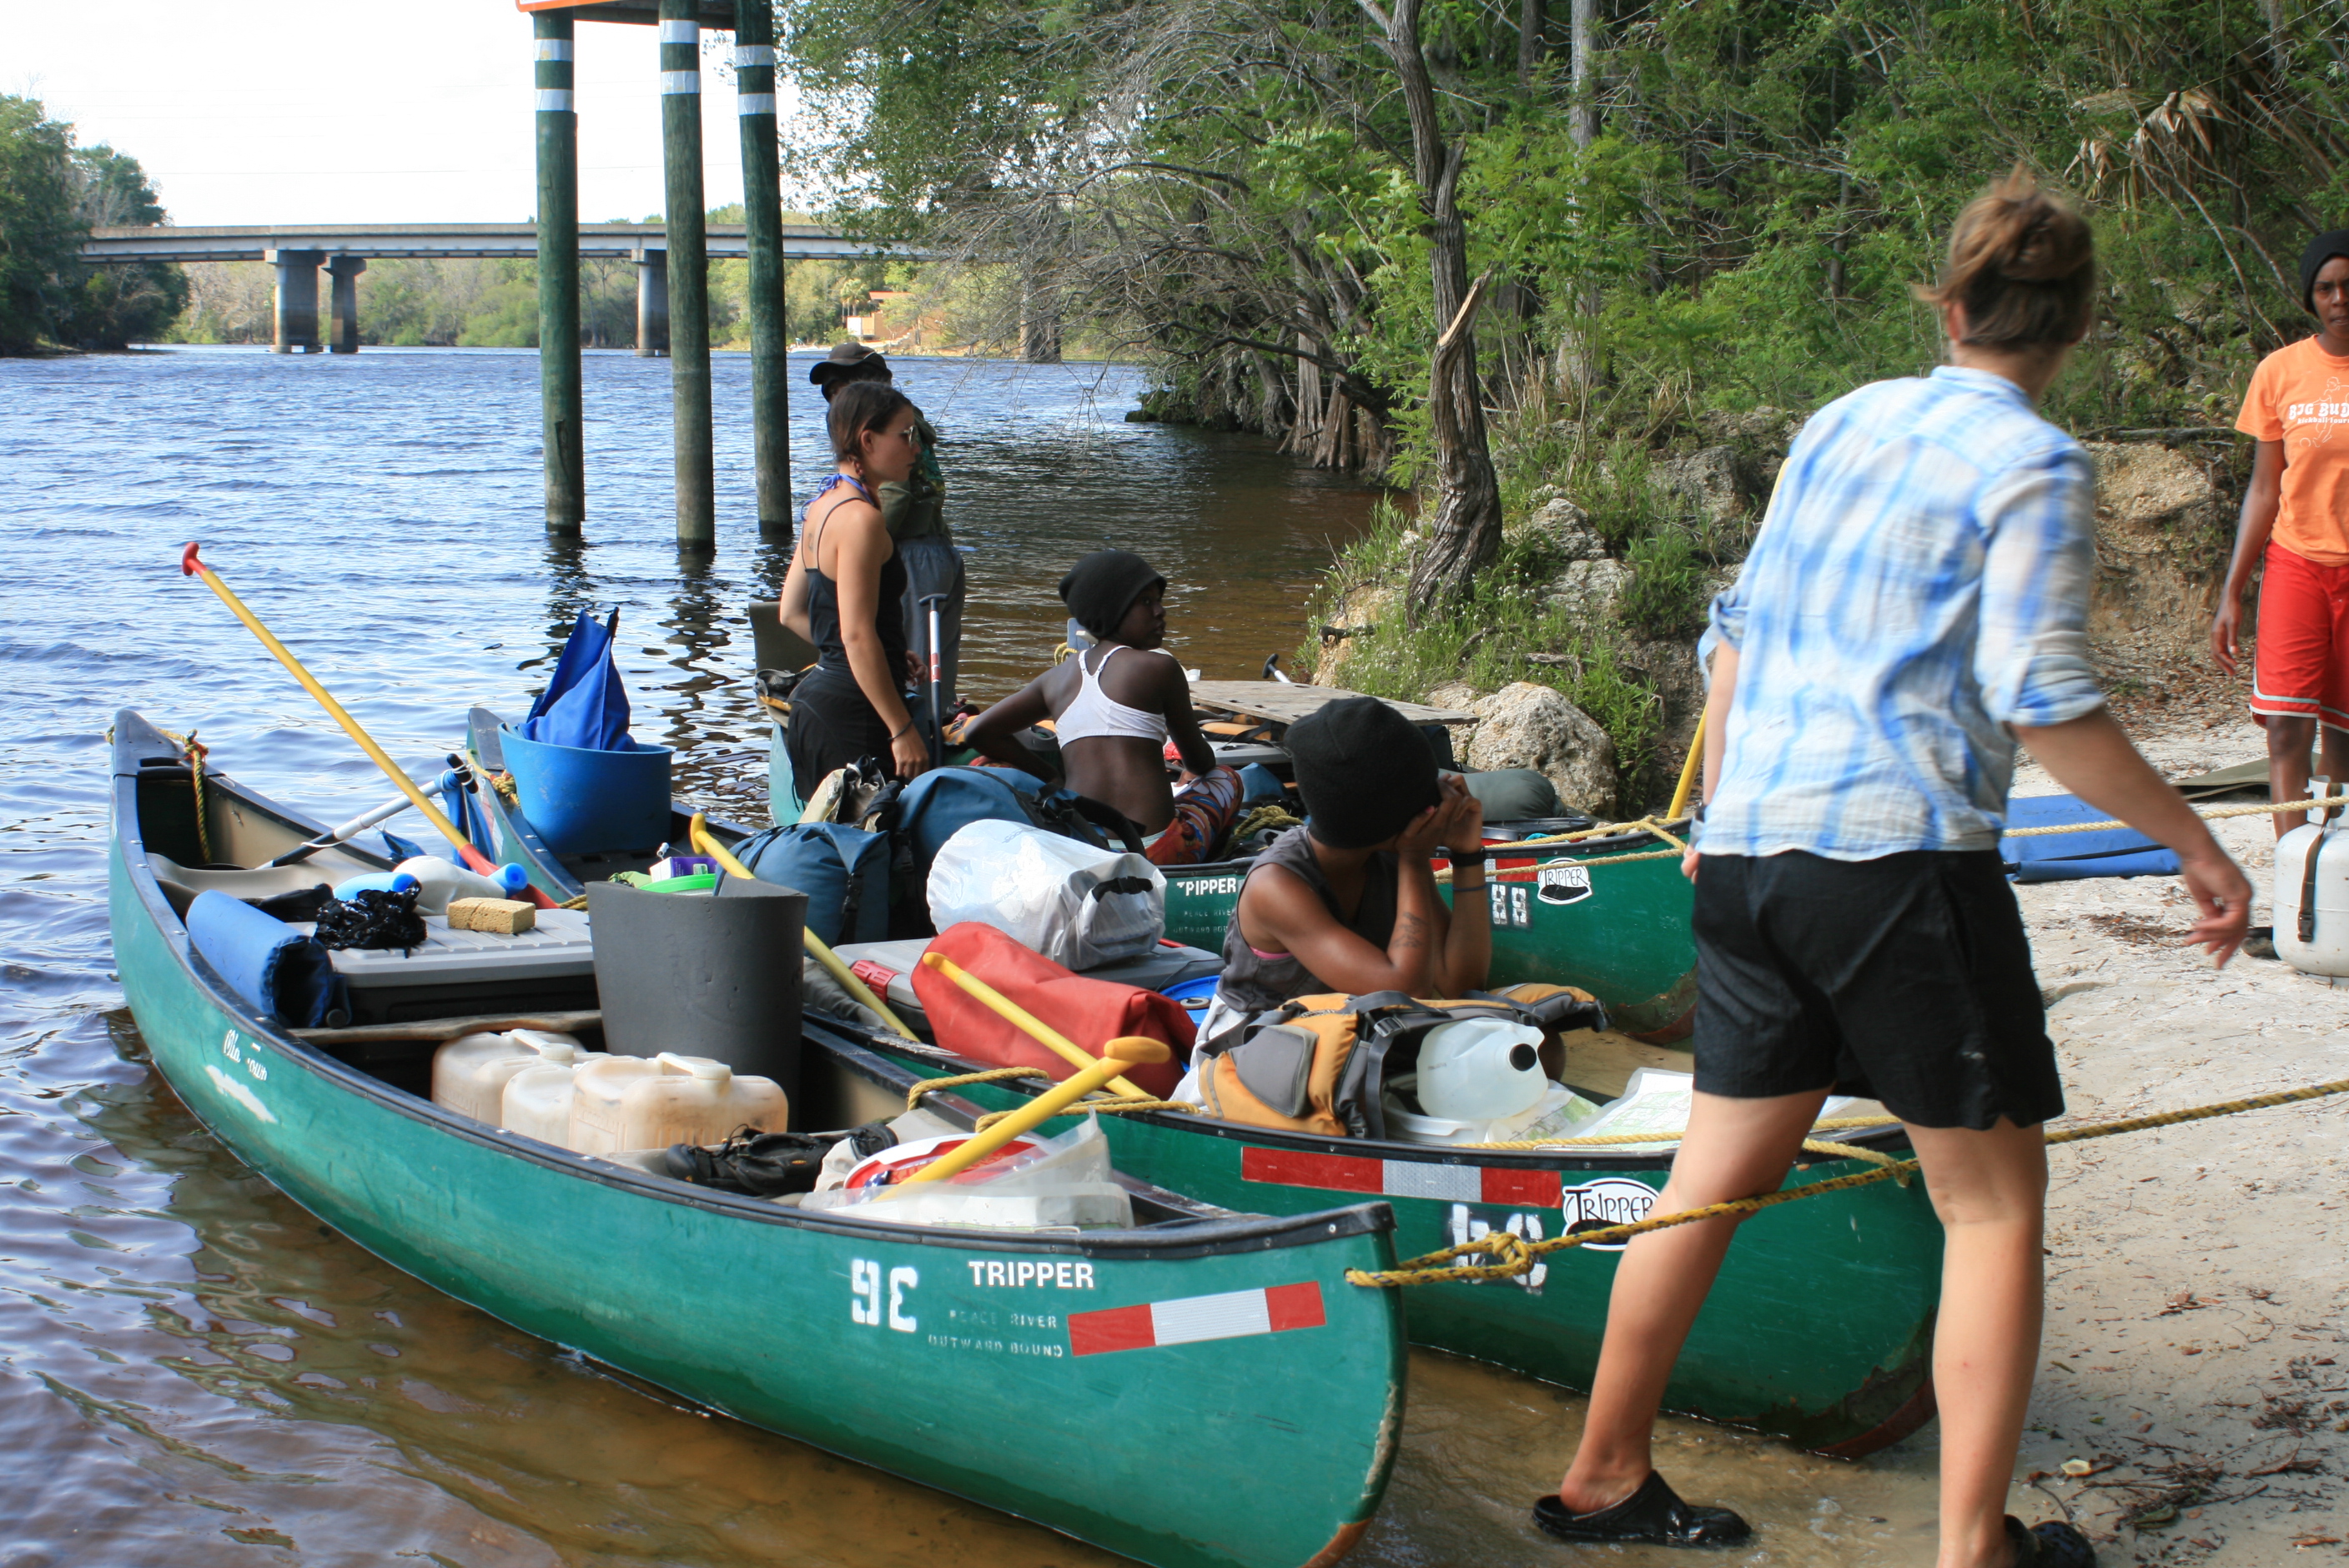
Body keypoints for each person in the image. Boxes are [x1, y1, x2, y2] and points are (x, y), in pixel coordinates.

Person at [1541, 171, 2251, 1568]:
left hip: (1752, 857)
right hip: (1896, 865)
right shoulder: (2036, 463)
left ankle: (1603, 1478)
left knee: (1706, 1185)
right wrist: (2195, 842)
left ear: (1950, 306)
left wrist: (1721, 816)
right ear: (2078, 323)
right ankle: (1972, 1550)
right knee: (1991, 1207)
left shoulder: (1845, 419)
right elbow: (2045, 701)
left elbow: (1735, 631)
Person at [1200, 696, 1490, 1043]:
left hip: (1351, 1038)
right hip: (1258, 1046)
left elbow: (1460, 985)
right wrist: (1415, 860)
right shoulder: (1276, 885)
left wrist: (1467, 856)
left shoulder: (1389, 852)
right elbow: (1406, 992)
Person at [961, 549, 1245, 864]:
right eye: (1146, 602)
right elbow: (1200, 762)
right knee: (1226, 778)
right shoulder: (1159, 667)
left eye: (1159, 601)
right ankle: (1211, 861)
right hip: (1153, 853)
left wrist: (1051, 776)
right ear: (1112, 610)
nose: (1160, 611)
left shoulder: (1054, 680)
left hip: (1082, 849)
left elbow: (978, 732)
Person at [2211, 230, 2349, 835]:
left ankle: (2334, 872)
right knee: (2287, 729)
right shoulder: (2280, 371)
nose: (2339, 298)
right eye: (2325, 288)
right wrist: (2232, 591)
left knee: (2344, 733)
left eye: (2348, 285)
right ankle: (2296, 876)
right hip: (2297, 565)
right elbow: (2264, 489)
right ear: (2310, 297)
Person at [777, 380, 933, 796]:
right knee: (872, 836)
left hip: (814, 705)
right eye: (906, 435)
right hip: (853, 715)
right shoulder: (862, 520)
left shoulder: (822, 507)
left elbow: (790, 612)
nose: (916, 448)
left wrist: (886, 655)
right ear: (867, 440)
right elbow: (856, 635)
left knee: (825, 834)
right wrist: (901, 728)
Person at [810, 342, 965, 725]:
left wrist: (862, 548)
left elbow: (893, 499)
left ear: (876, 385)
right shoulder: (904, 428)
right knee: (932, 675)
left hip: (913, 554)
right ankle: (928, 734)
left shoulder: (888, 438)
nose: (838, 400)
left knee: (915, 683)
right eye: (832, 391)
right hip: (935, 551)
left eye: (846, 387)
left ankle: (917, 738)